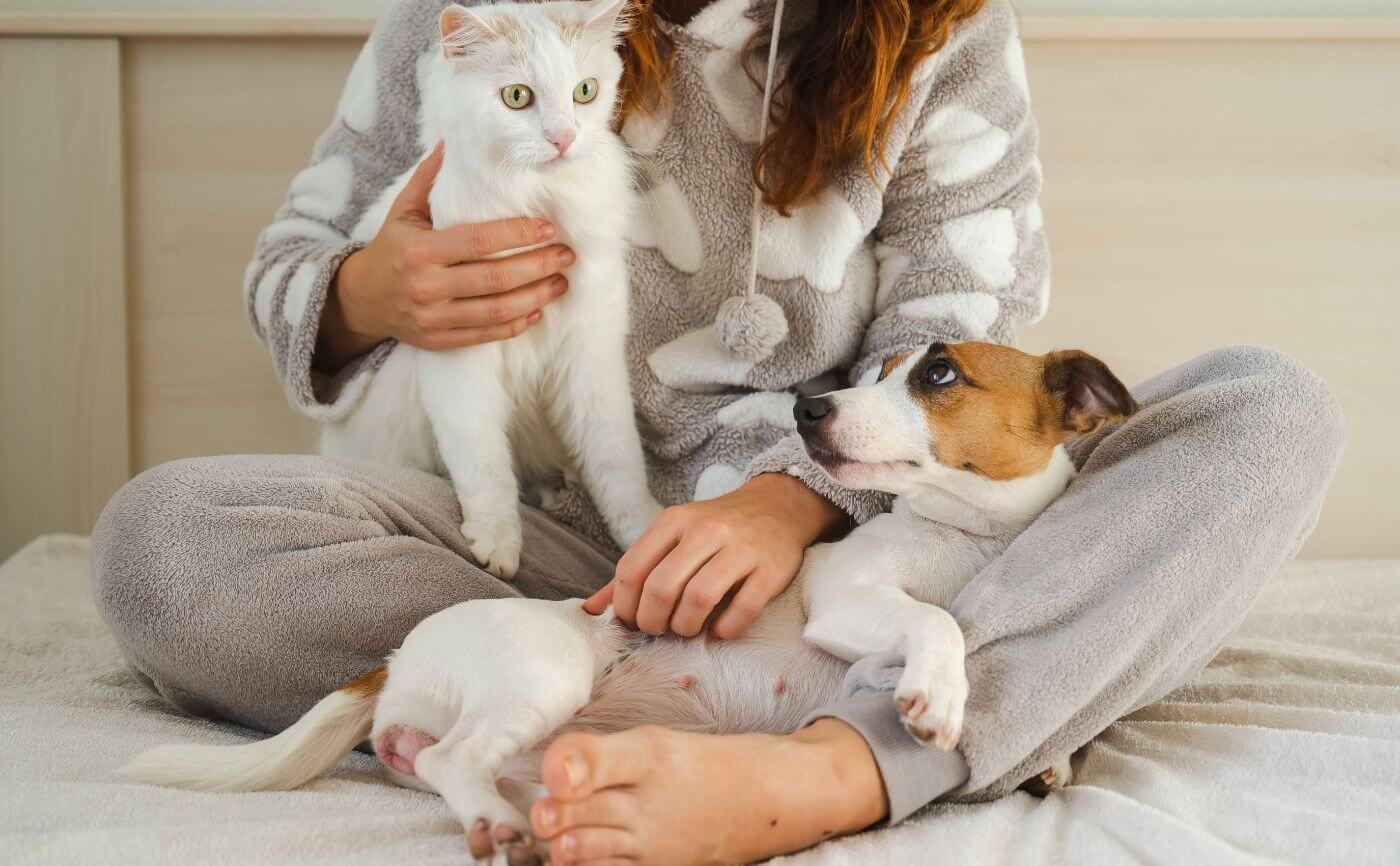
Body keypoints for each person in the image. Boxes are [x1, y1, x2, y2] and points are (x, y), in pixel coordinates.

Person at [91, 0, 1346, 863]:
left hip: (859, 524)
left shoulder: (942, 30)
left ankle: (828, 770)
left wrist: (789, 495)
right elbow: (292, 267)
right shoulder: (482, 13)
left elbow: (964, 330)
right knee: (166, 540)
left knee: (1263, 411)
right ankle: (938, 700)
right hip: (564, 561)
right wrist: (367, 293)